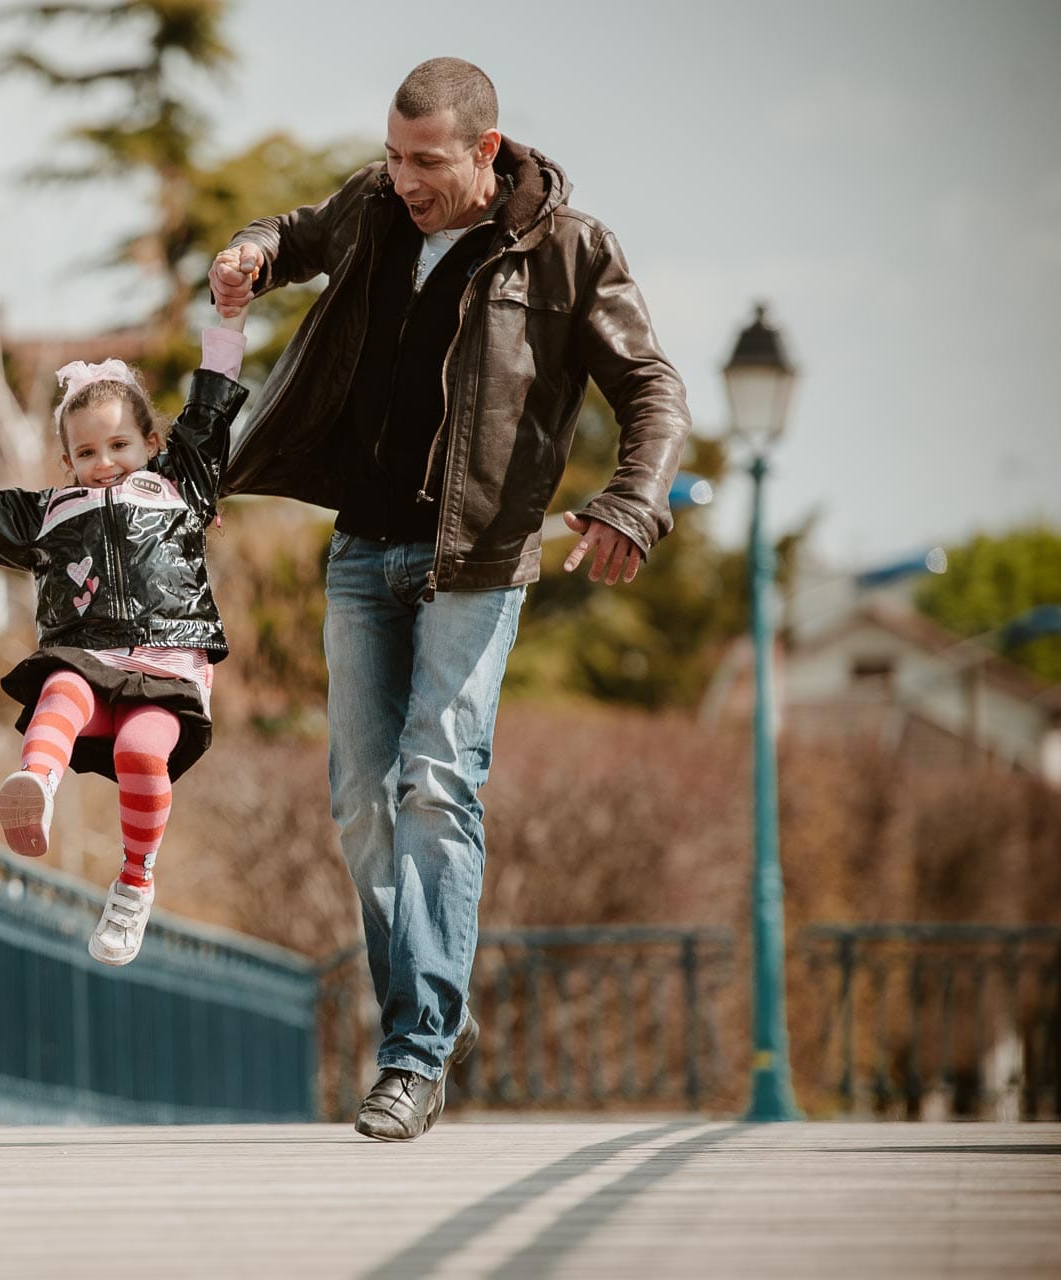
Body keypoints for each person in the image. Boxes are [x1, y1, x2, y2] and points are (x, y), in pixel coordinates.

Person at [209, 56, 690, 1141]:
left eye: (423, 161)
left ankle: (415, 1049)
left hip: (474, 558)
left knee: (434, 781)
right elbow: (296, 234)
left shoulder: (566, 251)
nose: (399, 178)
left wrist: (631, 501)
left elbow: (651, 387)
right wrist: (251, 251)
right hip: (361, 547)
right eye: (390, 155)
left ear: (484, 151)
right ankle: (429, 1005)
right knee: (357, 799)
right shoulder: (376, 208)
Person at [0, 311, 251, 966]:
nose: (104, 464)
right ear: (66, 461)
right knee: (59, 686)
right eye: (86, 453)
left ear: (150, 443)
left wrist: (227, 321)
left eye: (119, 446)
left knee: (144, 754)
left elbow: (208, 412)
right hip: (88, 657)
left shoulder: (179, 486)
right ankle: (37, 781)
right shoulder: (50, 514)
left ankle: (134, 883)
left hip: (166, 666)